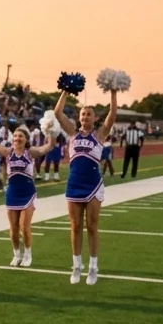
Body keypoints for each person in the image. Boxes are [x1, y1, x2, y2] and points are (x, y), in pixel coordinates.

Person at [54, 86, 118, 285]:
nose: (85, 117)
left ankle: (93, 267)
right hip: (74, 184)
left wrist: (113, 93)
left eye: (89, 114)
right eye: (82, 114)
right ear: (79, 117)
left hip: (92, 185)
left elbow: (112, 114)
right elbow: (57, 113)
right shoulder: (72, 133)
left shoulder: (99, 135)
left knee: (91, 226)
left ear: (94, 118)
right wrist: (65, 91)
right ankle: (76, 266)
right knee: (75, 226)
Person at [0, 127, 55, 267]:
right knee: (13, 227)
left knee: (24, 226)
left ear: (26, 139)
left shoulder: (30, 152)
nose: (17, 138)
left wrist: (51, 133)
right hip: (12, 193)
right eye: (15, 136)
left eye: (20, 136)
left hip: (28, 193)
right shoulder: (8, 152)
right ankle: (17, 255)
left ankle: (28, 254)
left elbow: (47, 148)